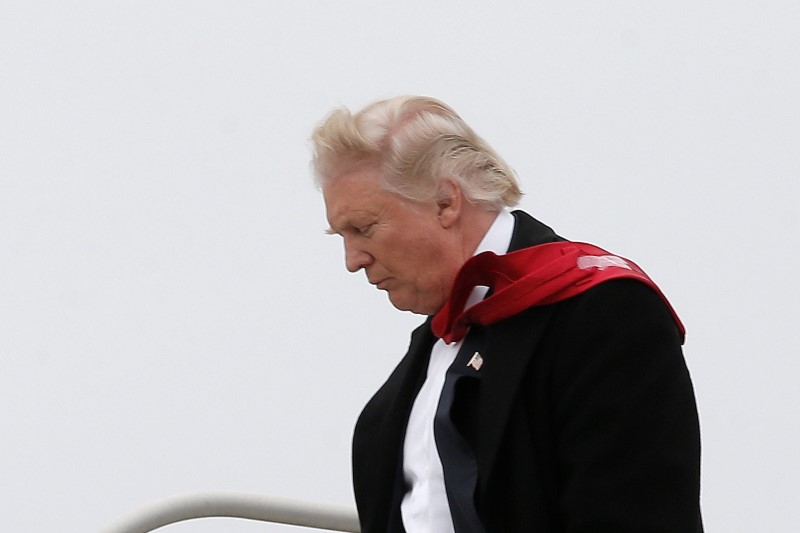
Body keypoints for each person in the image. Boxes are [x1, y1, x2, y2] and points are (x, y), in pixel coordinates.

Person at [311, 95, 703, 532]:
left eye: (363, 228)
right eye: (341, 235)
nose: (352, 259)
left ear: (446, 201)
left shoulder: (601, 311)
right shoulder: (402, 390)